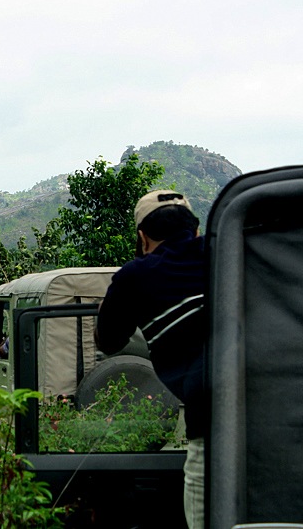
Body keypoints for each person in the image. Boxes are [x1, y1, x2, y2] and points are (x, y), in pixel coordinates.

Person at [95, 189, 207, 529]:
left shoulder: (135, 275)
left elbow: (108, 341)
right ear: (197, 230)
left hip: (211, 417)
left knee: (203, 500)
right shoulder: (225, 251)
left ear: (142, 237)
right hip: (280, 405)